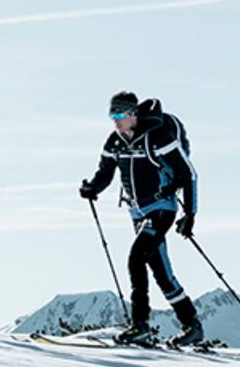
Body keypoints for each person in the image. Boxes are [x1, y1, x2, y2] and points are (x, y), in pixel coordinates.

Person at [79, 91, 204, 347]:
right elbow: (105, 173)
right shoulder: (114, 142)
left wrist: (190, 215)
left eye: (120, 115)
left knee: (136, 258)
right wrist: (92, 188)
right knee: (161, 271)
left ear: (133, 114)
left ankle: (140, 326)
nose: (115, 120)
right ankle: (191, 325)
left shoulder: (157, 137)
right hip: (136, 211)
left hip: (161, 208)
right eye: (112, 115)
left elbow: (188, 174)